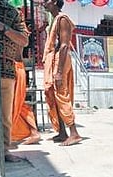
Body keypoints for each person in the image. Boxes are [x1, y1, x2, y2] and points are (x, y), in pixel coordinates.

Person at [43, 0, 82, 146]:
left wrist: (59, 72)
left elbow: (65, 46)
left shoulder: (63, 19)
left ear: (54, 1)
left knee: (61, 94)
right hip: (53, 60)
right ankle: (62, 132)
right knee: (53, 94)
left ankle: (74, 133)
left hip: (60, 61)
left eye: (46, 0)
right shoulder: (54, 20)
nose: (43, 3)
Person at [0, 0, 29, 162]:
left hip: (5, 70)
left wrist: (3, 27)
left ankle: (3, 150)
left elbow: (24, 40)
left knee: (5, 116)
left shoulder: (12, 12)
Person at [11, 13, 41, 145]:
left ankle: (34, 132)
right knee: (19, 104)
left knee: (17, 104)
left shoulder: (18, 33)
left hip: (15, 68)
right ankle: (33, 132)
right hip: (16, 68)